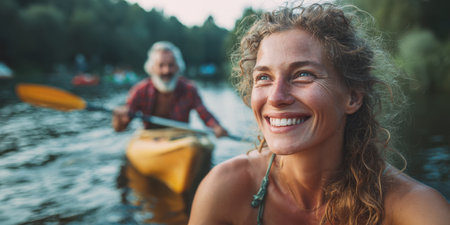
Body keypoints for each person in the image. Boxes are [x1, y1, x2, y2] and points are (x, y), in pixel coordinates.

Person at [188, 2, 449, 225]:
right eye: (264, 77)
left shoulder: (415, 207)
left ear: (353, 97)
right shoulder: (225, 189)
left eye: (303, 75)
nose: (276, 97)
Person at [112, 41, 228, 137]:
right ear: (152, 68)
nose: (166, 71)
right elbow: (119, 128)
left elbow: (205, 115)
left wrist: (216, 127)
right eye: (161, 65)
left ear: (178, 66)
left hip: (181, 139)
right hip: (151, 139)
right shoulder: (140, 90)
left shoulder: (189, 89)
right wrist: (119, 117)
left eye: (171, 65)